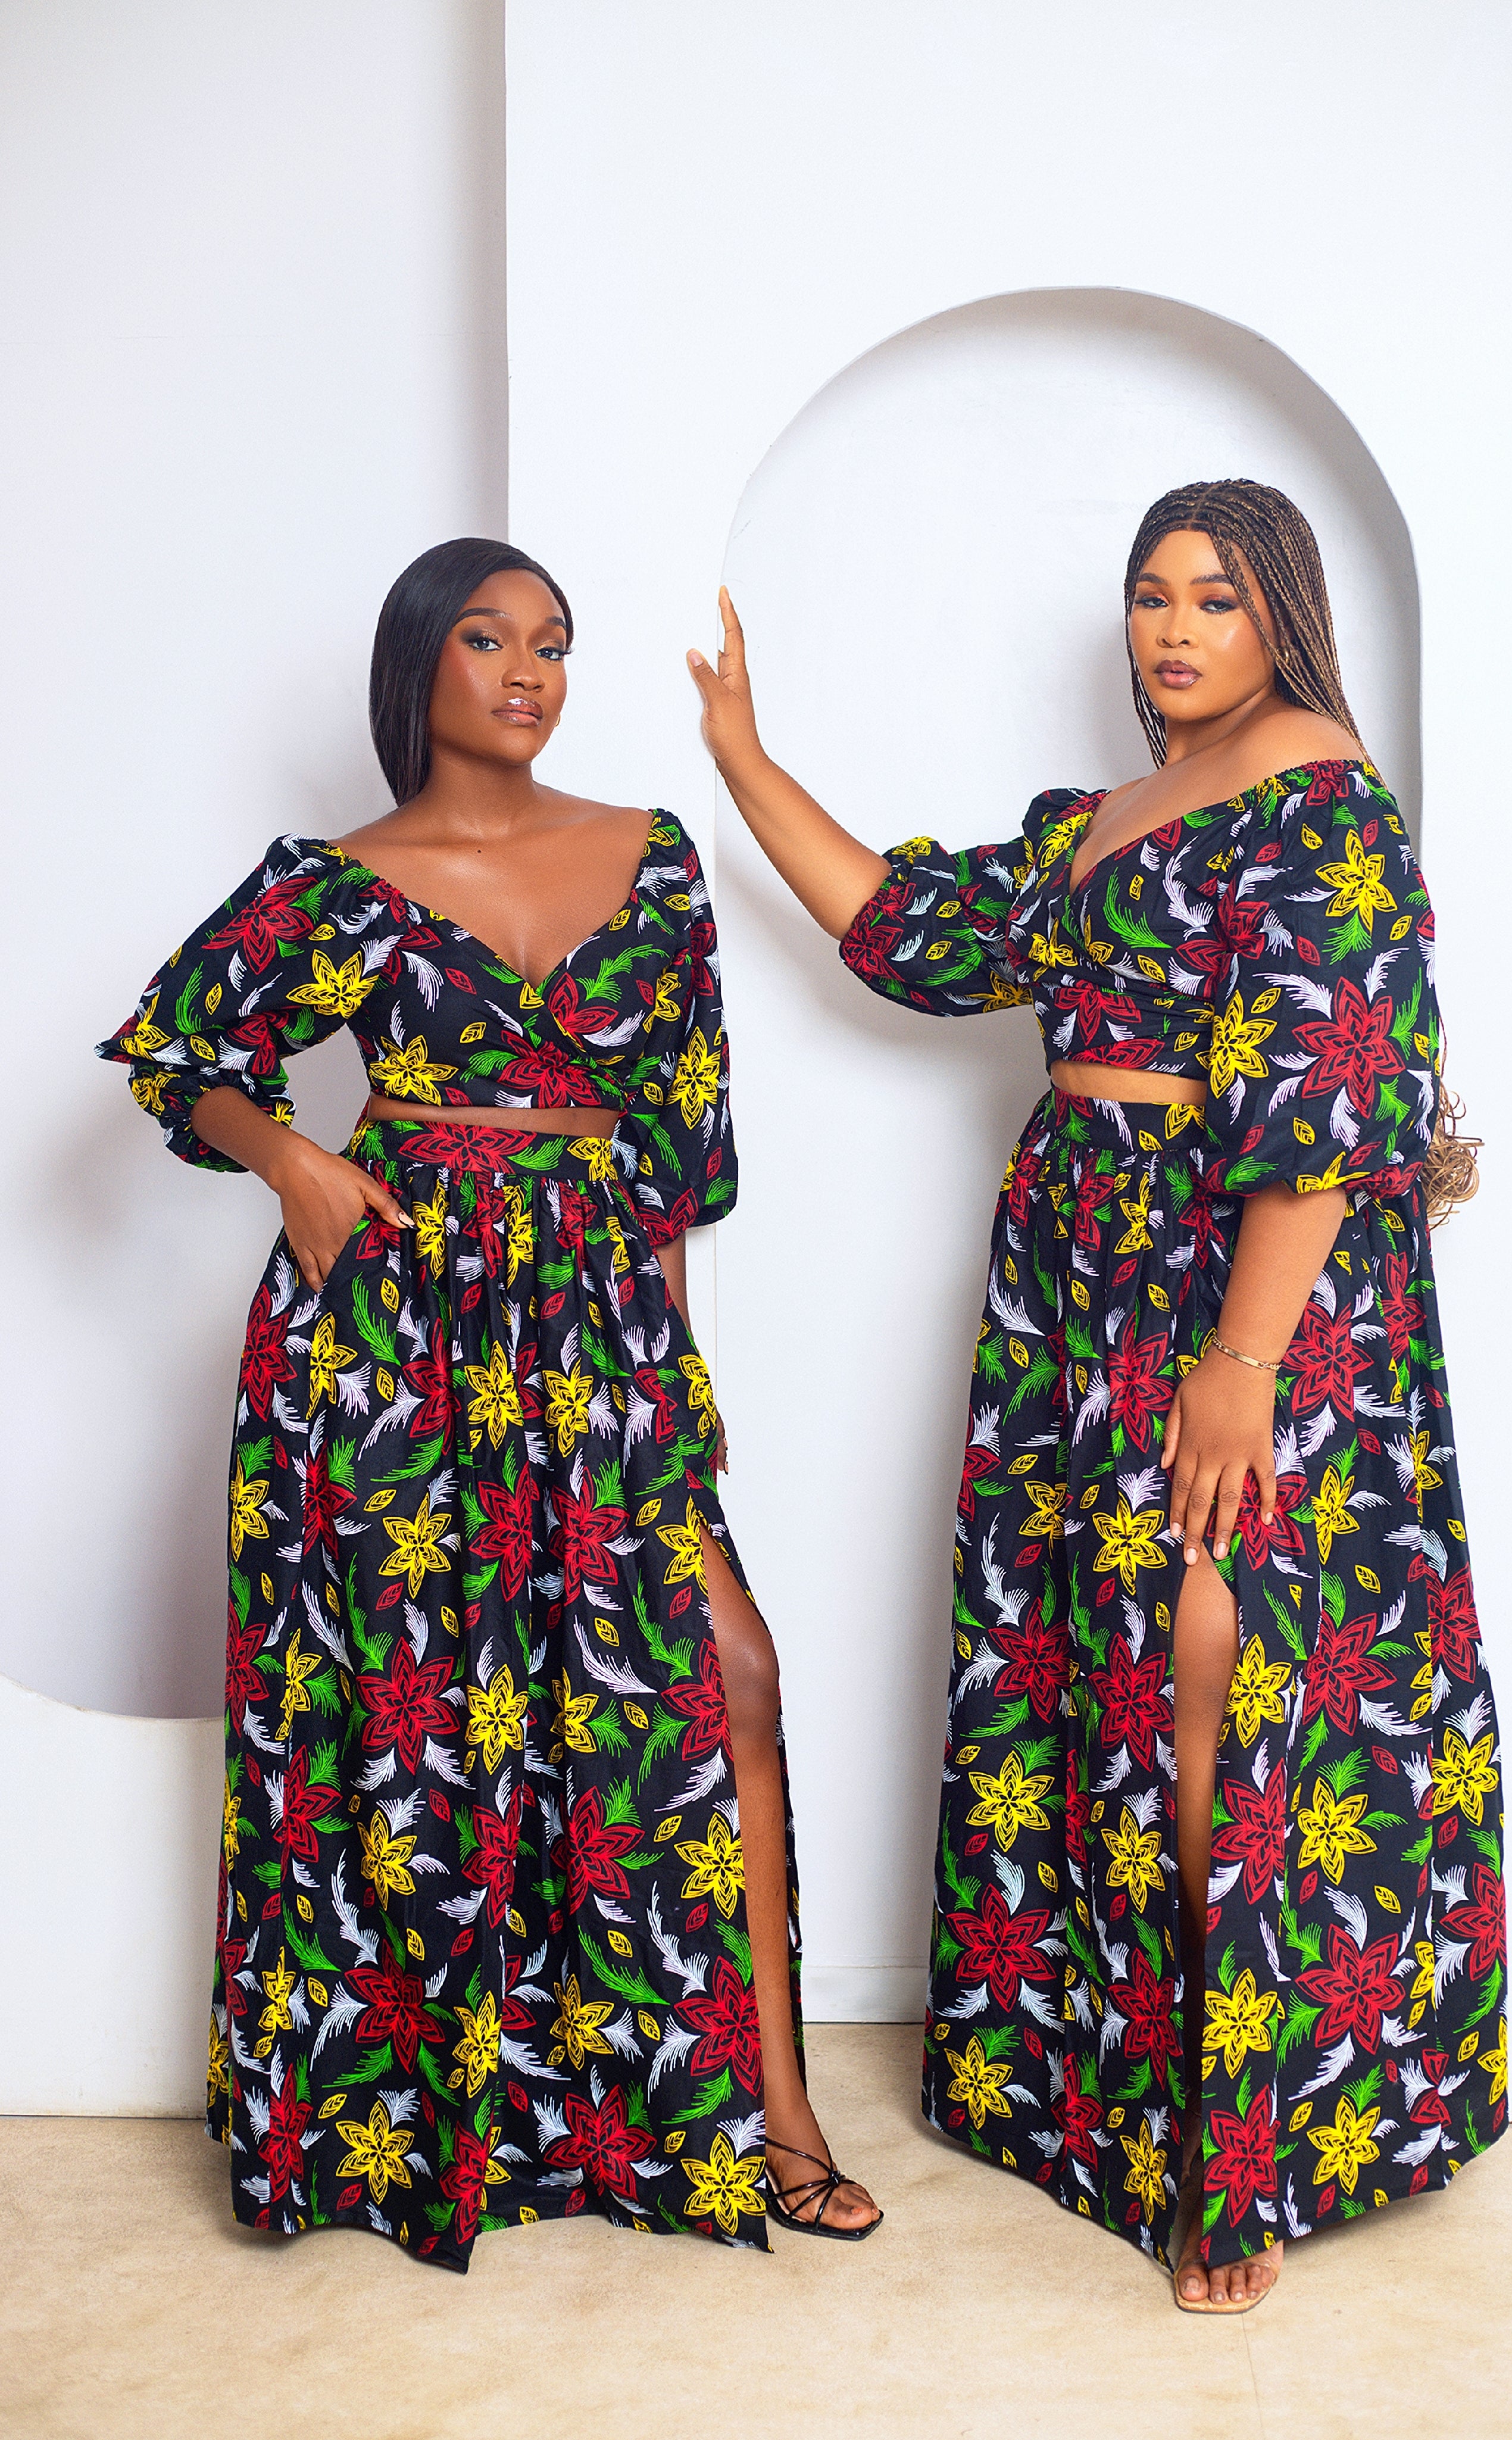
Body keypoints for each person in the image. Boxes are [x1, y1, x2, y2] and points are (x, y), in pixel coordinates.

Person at [686, 480, 1503, 2312]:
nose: (1174, 627)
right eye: (1151, 595)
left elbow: (1331, 1091)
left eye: (1215, 595)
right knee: (1107, 1671)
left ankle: (1238, 2150)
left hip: (1238, 1283)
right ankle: (1114, 2097)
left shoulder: (1320, 802)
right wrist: (741, 754)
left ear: (1281, 614)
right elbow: (908, 931)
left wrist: (1240, 1365)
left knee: (1221, 1656)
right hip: (1078, 1285)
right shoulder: (1101, 820)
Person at [98, 536, 880, 2269]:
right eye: (485, 638)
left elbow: (674, 1159)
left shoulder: (653, 861)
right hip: (392, 1340)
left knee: (725, 1674)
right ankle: (424, 2123)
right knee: (420, 1720)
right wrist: (291, 1153)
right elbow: (171, 1050)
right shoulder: (339, 882)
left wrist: (675, 1390)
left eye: (553, 641)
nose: (527, 670)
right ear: (420, 666)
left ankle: (769, 2109)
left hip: (596, 1328)